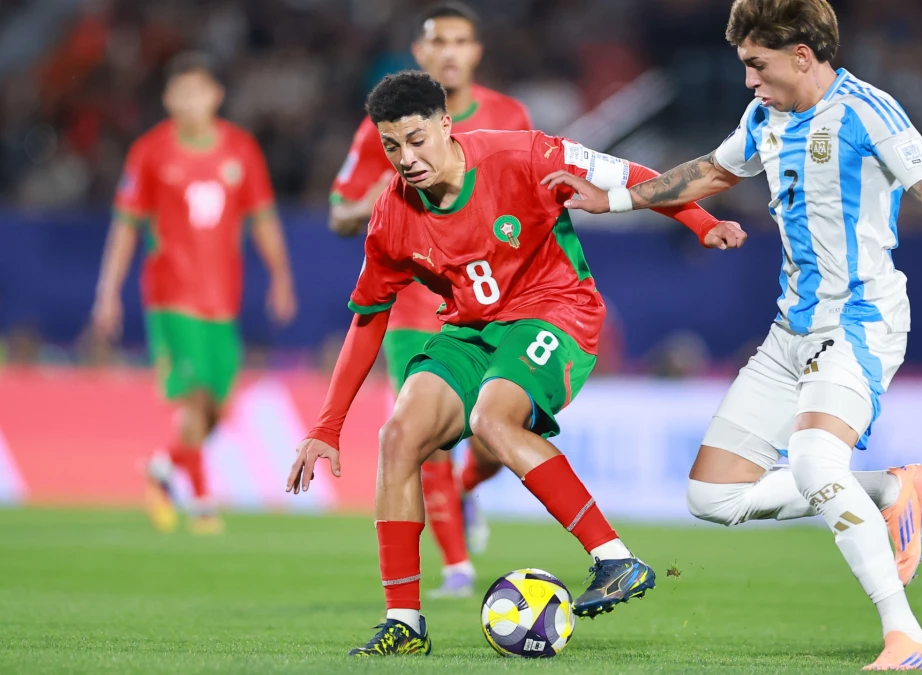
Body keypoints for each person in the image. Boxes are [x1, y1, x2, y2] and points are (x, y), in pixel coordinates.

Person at [541, 0, 922, 669]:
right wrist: (615, 200)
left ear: (802, 54)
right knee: (711, 496)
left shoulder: (866, 110)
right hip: (790, 327)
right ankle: (888, 488)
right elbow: (713, 170)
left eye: (756, 64)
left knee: (815, 462)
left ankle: (907, 636)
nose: (748, 81)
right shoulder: (764, 116)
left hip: (862, 319)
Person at [285, 70, 745, 656]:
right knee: (398, 437)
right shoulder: (391, 217)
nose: (407, 158)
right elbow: (369, 316)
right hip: (471, 330)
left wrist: (702, 224)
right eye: (392, 146)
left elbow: (626, 174)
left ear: (447, 126)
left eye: (418, 139)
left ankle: (617, 560)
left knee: (492, 420)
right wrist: (327, 427)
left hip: (556, 312)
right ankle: (405, 623)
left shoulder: (522, 154)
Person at [328, 1, 532, 599]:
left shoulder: (507, 115)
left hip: (497, 304)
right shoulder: (382, 126)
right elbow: (339, 212)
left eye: (460, 41)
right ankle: (457, 569)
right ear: (419, 53)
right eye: (437, 40)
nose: (449, 51)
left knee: (499, 433)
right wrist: (366, 204)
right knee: (419, 435)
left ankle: (468, 491)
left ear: (476, 52)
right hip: (416, 307)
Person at [93, 52, 297, 534]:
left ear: (215, 95)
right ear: (167, 98)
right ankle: (202, 500)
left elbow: (262, 217)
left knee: (219, 407)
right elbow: (126, 226)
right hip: (170, 295)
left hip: (221, 299)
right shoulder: (150, 152)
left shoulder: (241, 150)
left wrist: (282, 276)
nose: (188, 101)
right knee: (195, 398)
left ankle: (163, 467)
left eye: (197, 91)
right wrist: (108, 291)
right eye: (179, 92)